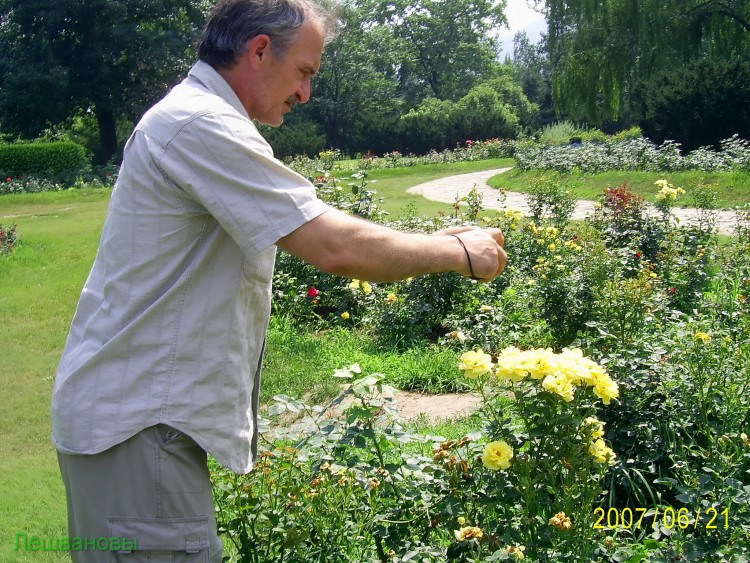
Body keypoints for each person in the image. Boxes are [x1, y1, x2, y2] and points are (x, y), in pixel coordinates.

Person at [51, 0, 507, 560]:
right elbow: (332, 245)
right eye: (305, 72)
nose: (306, 94)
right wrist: (457, 252)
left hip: (135, 425)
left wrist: (444, 243)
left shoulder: (197, 118)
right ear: (260, 50)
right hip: (139, 431)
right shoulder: (201, 124)